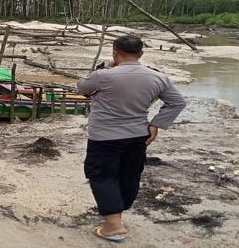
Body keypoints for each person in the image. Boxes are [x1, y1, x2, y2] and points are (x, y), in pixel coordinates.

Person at [77, 35, 187, 243]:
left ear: (115, 52)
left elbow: (82, 88)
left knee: (101, 175)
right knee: (129, 174)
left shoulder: (103, 75)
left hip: (104, 137)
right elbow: (177, 102)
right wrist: (156, 124)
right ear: (141, 54)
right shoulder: (157, 77)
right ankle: (117, 215)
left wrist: (107, 68)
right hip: (137, 135)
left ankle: (114, 226)